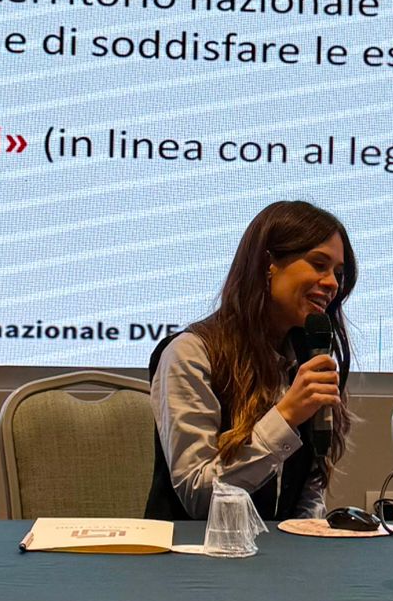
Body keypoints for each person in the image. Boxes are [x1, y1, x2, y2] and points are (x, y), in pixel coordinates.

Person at [147, 199, 355, 522]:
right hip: (194, 551)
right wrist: (285, 417)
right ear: (268, 263)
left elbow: (310, 491)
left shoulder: (305, 358)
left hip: (279, 552)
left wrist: (312, 538)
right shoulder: (190, 353)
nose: (332, 283)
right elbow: (199, 497)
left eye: (338, 273)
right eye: (318, 264)